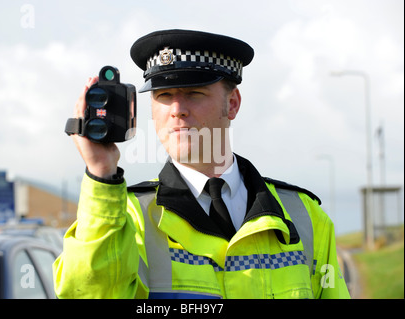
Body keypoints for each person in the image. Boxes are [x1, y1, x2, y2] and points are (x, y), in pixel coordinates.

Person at [53, 29, 350, 299]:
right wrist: (102, 174)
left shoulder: (304, 216)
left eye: (195, 94)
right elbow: (90, 293)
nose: (178, 110)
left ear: (232, 104)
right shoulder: (126, 218)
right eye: (164, 96)